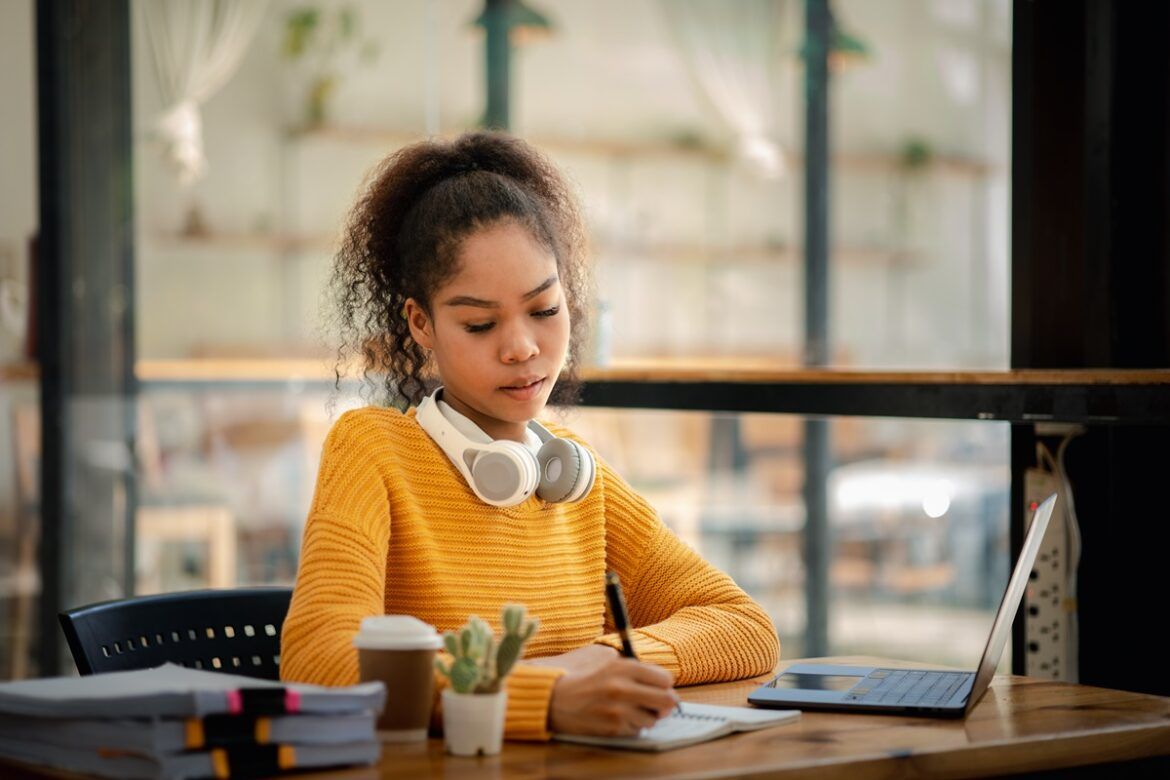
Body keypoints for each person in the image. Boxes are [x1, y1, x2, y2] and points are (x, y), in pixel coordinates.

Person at [280, 131, 780, 740]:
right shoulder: (373, 451)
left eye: (544, 310)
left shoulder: (574, 477)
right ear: (422, 324)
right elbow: (319, 661)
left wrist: (605, 662)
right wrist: (545, 694)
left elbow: (743, 626)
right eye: (481, 323)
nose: (522, 347)